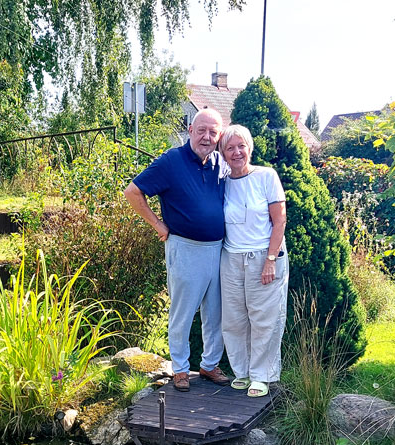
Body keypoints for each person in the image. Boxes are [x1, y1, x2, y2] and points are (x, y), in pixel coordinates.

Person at [123, 109, 230, 392]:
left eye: (213, 132)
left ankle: (209, 365)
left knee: (216, 313)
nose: (206, 137)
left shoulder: (220, 162)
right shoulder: (172, 161)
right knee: (183, 313)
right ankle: (181, 369)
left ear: (219, 136)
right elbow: (132, 192)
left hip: (219, 250)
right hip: (185, 248)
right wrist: (158, 225)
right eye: (201, 130)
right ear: (191, 130)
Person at [217, 124, 288, 398]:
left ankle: (261, 376)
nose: (236, 152)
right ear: (223, 153)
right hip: (231, 258)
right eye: (230, 148)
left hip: (263, 256)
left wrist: (271, 259)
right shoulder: (222, 181)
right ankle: (242, 372)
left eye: (241, 146)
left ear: (250, 148)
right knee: (234, 319)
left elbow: (279, 220)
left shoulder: (266, 176)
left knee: (264, 319)